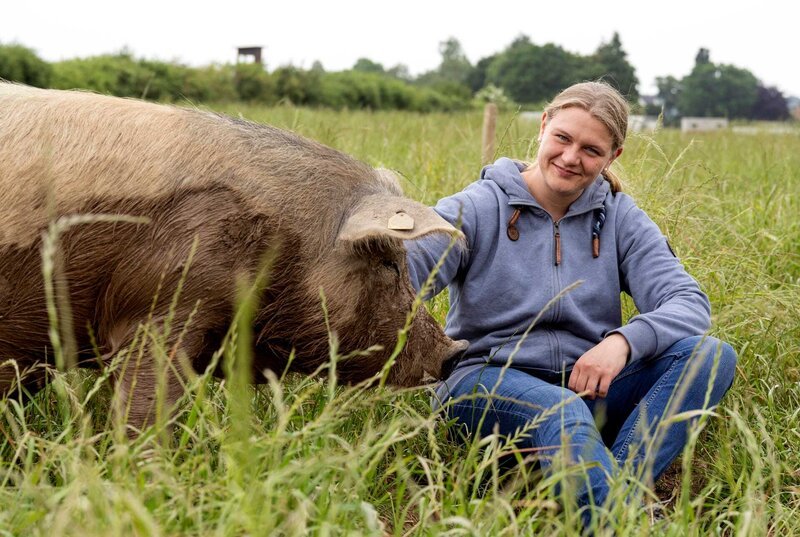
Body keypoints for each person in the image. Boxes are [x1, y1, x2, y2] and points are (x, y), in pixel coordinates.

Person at [405, 81, 737, 523]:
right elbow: (404, 277)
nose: (570, 157)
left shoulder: (619, 217)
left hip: (587, 386)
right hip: (485, 383)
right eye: (562, 138)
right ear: (544, 126)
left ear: (612, 157)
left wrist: (622, 342)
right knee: (562, 412)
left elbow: (688, 302)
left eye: (591, 150)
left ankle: (609, 488)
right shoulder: (477, 206)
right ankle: (618, 519)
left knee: (710, 356)